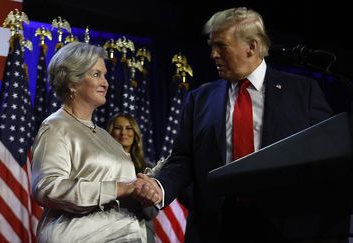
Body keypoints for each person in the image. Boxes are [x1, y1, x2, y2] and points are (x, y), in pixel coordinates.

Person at [136, 6, 333, 243]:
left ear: (252, 47)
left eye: (221, 46)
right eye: (212, 46)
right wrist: (161, 187)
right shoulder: (200, 99)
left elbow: (327, 157)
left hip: (285, 227)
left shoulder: (303, 92)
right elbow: (183, 158)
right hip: (216, 228)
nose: (213, 55)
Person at [30, 42, 159, 243]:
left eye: (105, 75)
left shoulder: (105, 136)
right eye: (96, 74)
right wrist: (119, 188)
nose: (105, 83)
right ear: (72, 82)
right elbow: (46, 187)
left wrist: (143, 190)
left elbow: (127, 189)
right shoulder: (56, 127)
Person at [106, 113, 159, 243]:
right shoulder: (100, 165)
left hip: (141, 233)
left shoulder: (148, 168)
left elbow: (151, 213)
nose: (124, 132)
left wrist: (141, 194)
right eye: (118, 128)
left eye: (129, 128)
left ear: (135, 133)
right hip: (108, 231)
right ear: (110, 132)